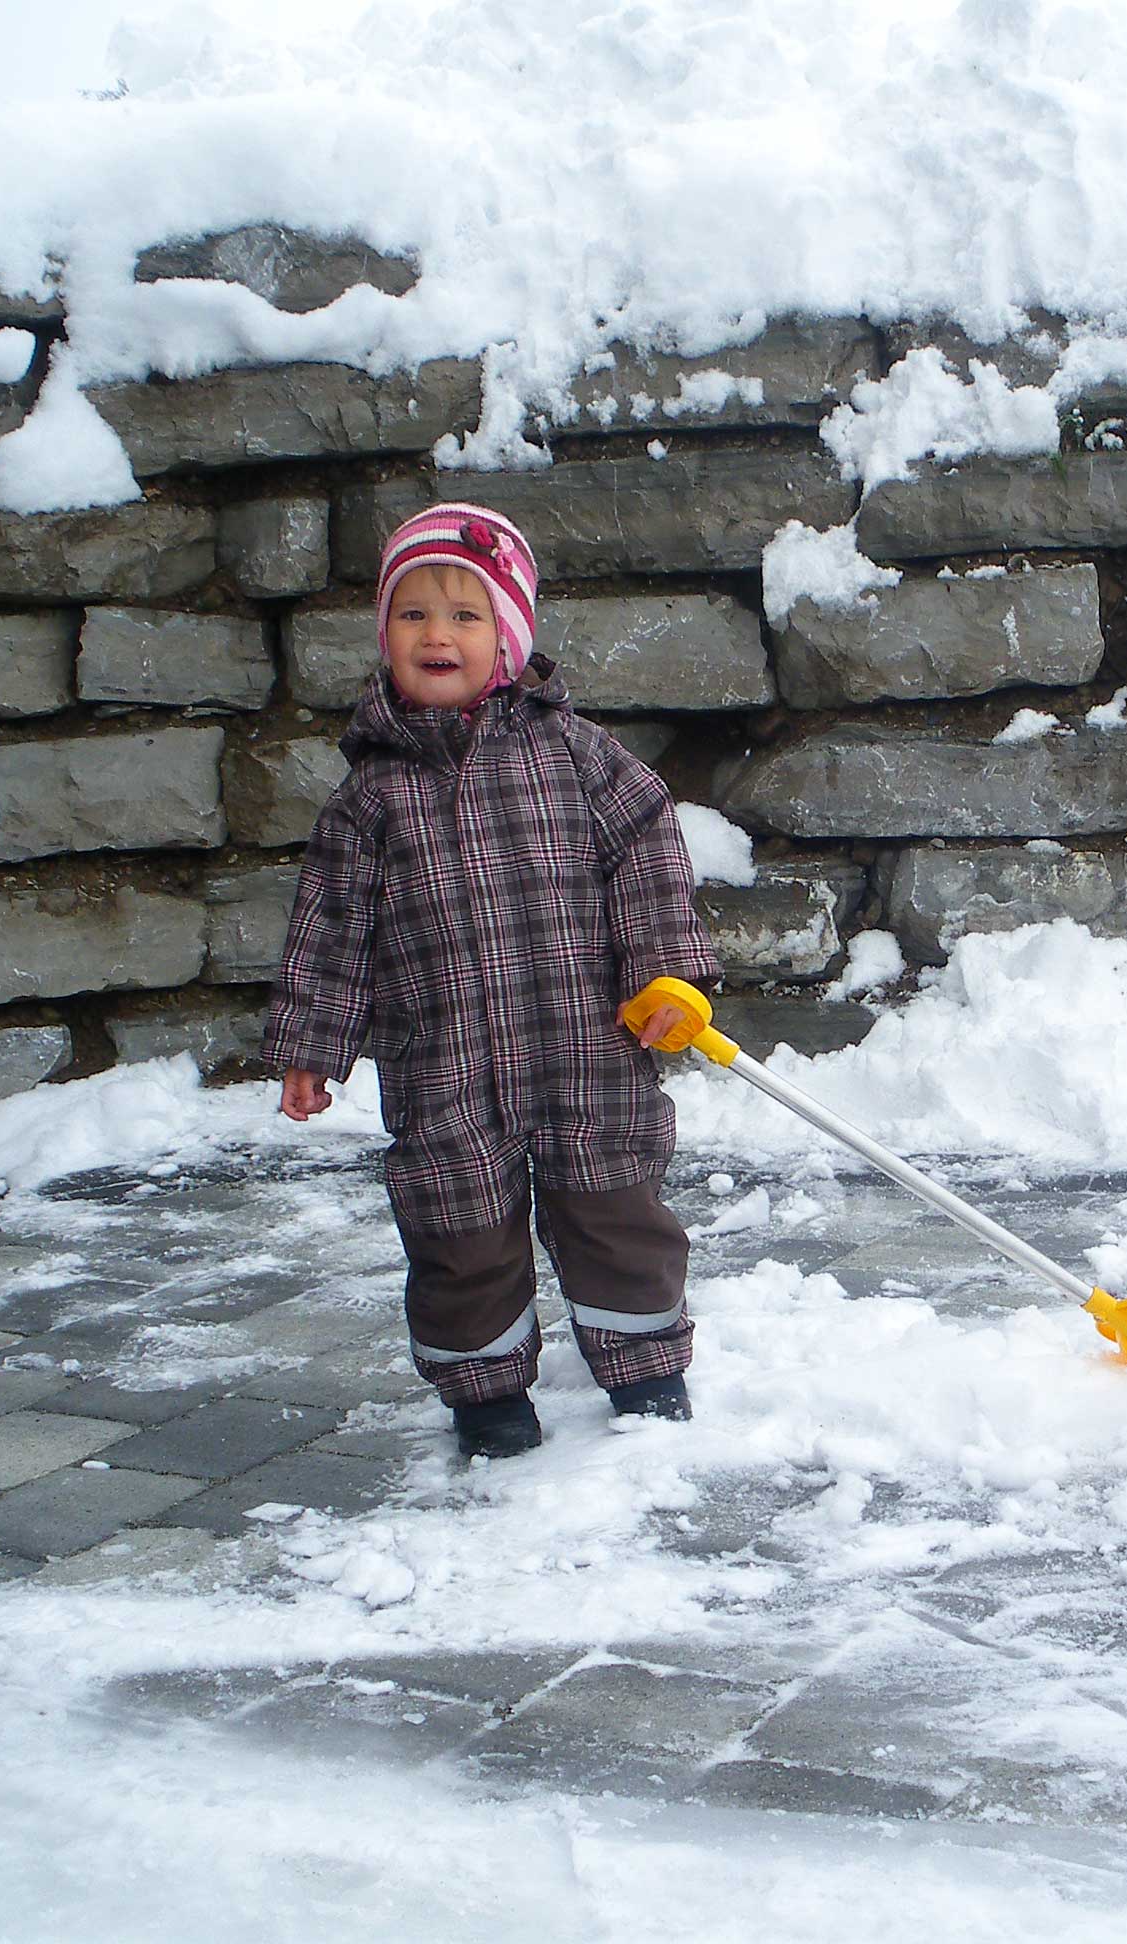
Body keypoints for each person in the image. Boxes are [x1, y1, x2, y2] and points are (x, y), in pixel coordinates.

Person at [263, 502, 721, 1461]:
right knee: (457, 1230)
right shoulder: (369, 797)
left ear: (508, 637)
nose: (438, 634)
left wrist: (666, 972)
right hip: (444, 1060)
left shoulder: (577, 754)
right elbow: (332, 927)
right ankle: (485, 1393)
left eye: (466, 615)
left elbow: (648, 853)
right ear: (385, 635)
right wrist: (313, 1046)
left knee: (615, 1209)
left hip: (588, 1043)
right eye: (413, 614)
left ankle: (646, 1368)